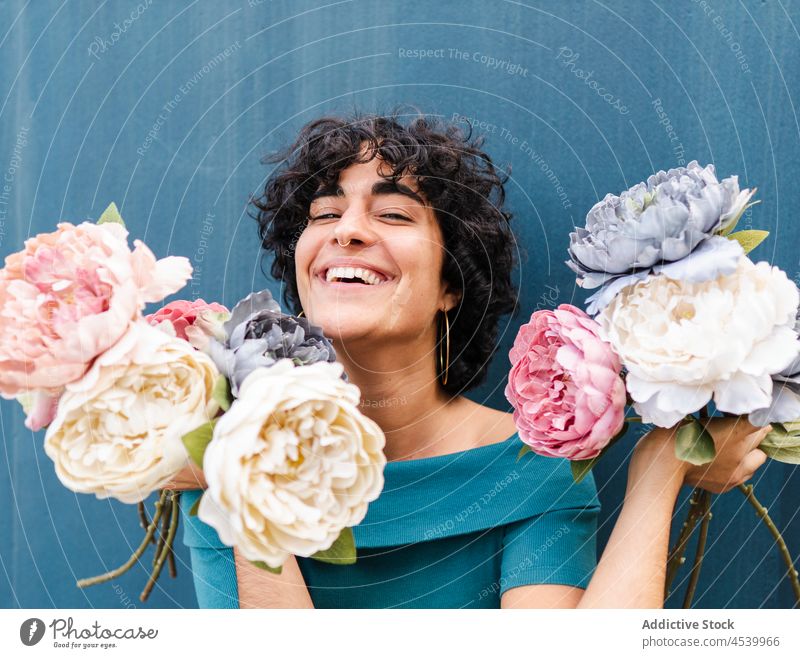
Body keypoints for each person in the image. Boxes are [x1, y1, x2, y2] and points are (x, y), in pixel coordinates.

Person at [168, 111, 769, 609]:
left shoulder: (528, 468)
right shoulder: (220, 453)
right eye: (325, 214)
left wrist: (660, 471)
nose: (346, 231)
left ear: (451, 283)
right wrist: (240, 478)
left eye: (393, 213)